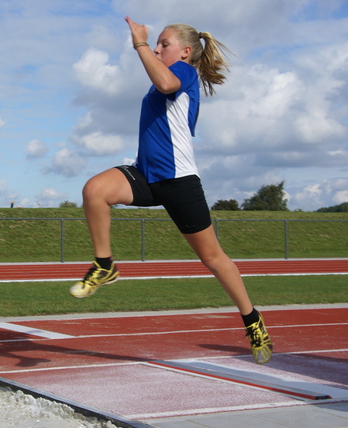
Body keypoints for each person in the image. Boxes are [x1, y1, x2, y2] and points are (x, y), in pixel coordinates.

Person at [69, 17, 273, 365]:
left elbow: (165, 83)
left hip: (179, 182)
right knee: (95, 190)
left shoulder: (185, 73)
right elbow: (160, 85)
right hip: (146, 176)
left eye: (165, 43)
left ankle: (252, 320)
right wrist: (146, 49)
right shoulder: (162, 80)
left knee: (213, 259)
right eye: (158, 44)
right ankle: (105, 265)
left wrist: (140, 44)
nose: (159, 48)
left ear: (186, 51)